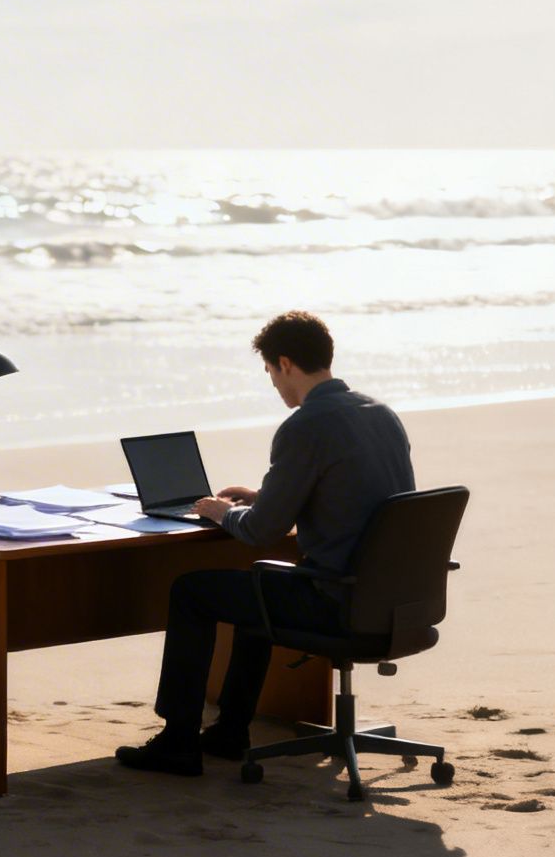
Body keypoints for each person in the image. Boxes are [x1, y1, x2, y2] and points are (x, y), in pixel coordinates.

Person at [117, 311, 415, 776]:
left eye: (271, 373)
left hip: (336, 599)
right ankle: (230, 730)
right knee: (255, 594)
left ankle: (178, 741)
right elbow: (352, 495)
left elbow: (259, 533)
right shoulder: (380, 414)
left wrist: (220, 511)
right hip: (392, 600)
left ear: (285, 363)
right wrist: (264, 499)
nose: (274, 385)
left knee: (192, 591)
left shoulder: (305, 426)